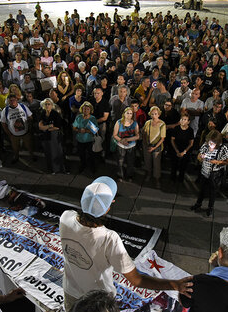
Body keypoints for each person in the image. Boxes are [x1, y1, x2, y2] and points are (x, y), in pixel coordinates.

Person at [60, 176, 193, 311]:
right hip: (98, 304)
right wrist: (174, 284)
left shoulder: (66, 217)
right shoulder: (109, 239)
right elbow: (137, 280)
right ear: (107, 208)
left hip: (71, 292)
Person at [191, 130, 228, 216]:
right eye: (209, 142)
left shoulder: (223, 148)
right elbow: (199, 155)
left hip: (215, 174)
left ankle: (210, 208)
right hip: (204, 172)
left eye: (213, 143)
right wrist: (201, 157)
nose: (210, 144)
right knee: (201, 190)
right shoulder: (205, 145)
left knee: (213, 192)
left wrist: (217, 162)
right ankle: (198, 204)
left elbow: (227, 161)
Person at [0, 94, 34, 164]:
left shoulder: (23, 106)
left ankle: (32, 155)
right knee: (15, 147)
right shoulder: (5, 110)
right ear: (8, 101)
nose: (12, 102)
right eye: (11, 101)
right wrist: (8, 133)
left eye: (14, 100)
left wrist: (30, 128)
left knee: (29, 145)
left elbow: (30, 117)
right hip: (14, 134)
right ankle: (16, 156)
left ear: (17, 100)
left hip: (25, 132)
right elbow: (3, 123)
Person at [39, 98, 66, 174]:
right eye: (46, 104)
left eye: (49, 104)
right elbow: (40, 126)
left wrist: (46, 127)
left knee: (57, 151)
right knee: (48, 152)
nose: (47, 105)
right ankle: (52, 169)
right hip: (46, 136)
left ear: (52, 105)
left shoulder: (55, 113)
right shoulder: (43, 113)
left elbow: (57, 127)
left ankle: (60, 168)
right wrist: (49, 126)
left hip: (54, 136)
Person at [142, 106, 166, 188]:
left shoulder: (162, 124)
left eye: (155, 114)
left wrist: (154, 147)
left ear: (158, 114)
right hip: (147, 145)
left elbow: (162, 138)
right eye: (152, 114)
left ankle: (157, 179)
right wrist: (146, 144)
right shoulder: (147, 123)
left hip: (157, 147)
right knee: (147, 161)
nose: (154, 115)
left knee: (156, 164)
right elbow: (144, 134)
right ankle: (148, 174)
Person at [113, 107, 139, 182]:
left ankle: (129, 175)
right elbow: (114, 135)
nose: (129, 115)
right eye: (127, 113)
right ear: (124, 113)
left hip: (131, 146)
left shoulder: (134, 123)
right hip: (121, 145)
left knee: (130, 162)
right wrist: (122, 141)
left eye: (131, 113)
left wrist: (127, 139)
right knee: (120, 161)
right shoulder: (118, 122)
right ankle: (120, 175)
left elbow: (137, 136)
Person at [73, 102, 98, 173]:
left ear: (90, 110)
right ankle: (83, 165)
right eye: (84, 109)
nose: (85, 110)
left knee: (91, 155)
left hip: (89, 140)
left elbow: (95, 130)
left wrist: (86, 131)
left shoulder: (92, 118)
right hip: (80, 140)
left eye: (87, 109)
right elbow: (74, 127)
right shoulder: (79, 117)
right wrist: (79, 130)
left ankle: (92, 167)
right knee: (81, 154)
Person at [170, 113, 194, 182]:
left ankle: (181, 179)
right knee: (174, 165)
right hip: (176, 148)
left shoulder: (190, 130)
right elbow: (172, 140)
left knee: (183, 167)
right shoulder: (176, 128)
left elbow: (191, 143)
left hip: (185, 150)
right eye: (182, 119)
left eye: (185, 119)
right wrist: (177, 151)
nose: (183, 121)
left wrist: (184, 152)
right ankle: (173, 179)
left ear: (188, 122)